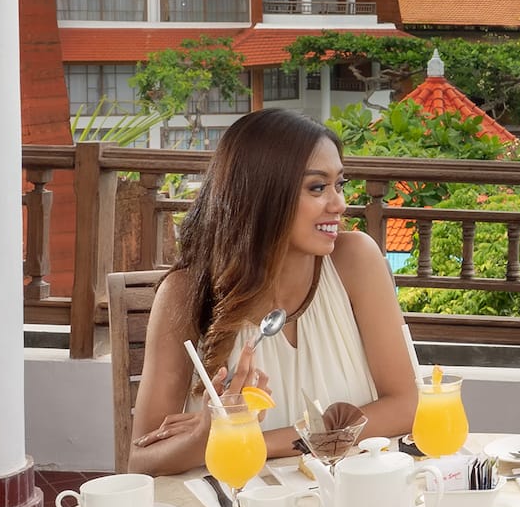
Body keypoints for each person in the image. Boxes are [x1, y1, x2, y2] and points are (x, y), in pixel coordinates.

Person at [127, 108, 418, 475]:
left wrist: (251, 440)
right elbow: (140, 462)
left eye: (339, 184)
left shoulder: (356, 261)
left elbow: (406, 405)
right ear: (263, 193)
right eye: (317, 187)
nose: (339, 203)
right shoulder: (185, 292)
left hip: (352, 500)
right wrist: (205, 433)